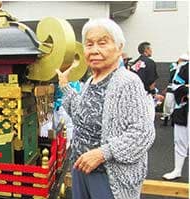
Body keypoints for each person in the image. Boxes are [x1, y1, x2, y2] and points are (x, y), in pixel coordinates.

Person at [55, 18, 155, 198]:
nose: (94, 50)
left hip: (109, 177)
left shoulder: (127, 82)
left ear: (119, 47)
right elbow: (80, 114)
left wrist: (103, 153)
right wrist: (64, 86)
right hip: (81, 169)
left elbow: (143, 133)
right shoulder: (90, 82)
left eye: (102, 43)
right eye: (89, 44)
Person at [162, 60, 188, 180]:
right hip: (183, 110)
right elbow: (176, 86)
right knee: (179, 140)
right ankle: (177, 170)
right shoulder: (184, 68)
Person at [162, 54, 188, 125]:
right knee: (168, 103)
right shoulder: (174, 65)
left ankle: (174, 120)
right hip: (172, 87)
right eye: (184, 61)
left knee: (177, 105)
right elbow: (172, 75)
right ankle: (166, 119)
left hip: (181, 89)